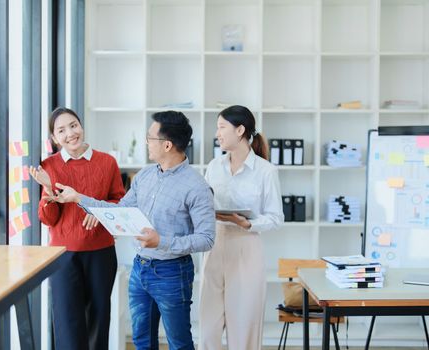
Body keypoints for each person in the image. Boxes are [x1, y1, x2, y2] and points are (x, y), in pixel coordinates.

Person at [47, 110, 216, 350]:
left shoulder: (197, 186)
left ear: (167, 145)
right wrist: (78, 198)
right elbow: (119, 210)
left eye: (150, 137)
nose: (146, 142)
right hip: (140, 269)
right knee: (142, 341)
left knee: (179, 343)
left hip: (172, 273)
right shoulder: (145, 176)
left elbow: (207, 239)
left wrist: (162, 242)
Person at [29, 107, 125, 350]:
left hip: (101, 253)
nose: (70, 133)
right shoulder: (48, 167)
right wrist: (49, 190)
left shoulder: (107, 162)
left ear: (81, 125)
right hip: (63, 257)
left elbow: (119, 202)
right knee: (67, 322)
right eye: (61, 130)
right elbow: (48, 219)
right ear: (54, 138)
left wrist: (100, 213)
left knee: (98, 321)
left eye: (73, 125)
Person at [199, 105, 284, 350]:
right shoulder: (214, 166)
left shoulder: (266, 171)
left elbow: (276, 218)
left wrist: (248, 223)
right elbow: (204, 203)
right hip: (214, 245)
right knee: (208, 330)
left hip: (247, 247)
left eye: (221, 127)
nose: (217, 133)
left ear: (240, 130)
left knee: (244, 330)